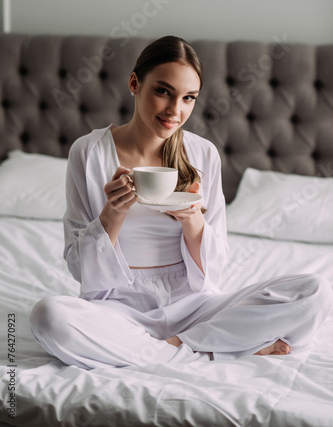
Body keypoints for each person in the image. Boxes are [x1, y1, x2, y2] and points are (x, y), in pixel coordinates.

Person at [30, 36, 332, 369]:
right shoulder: (88, 153)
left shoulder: (202, 154)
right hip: (117, 309)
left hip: (193, 307)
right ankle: (209, 348)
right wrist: (112, 214)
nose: (176, 111)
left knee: (315, 291)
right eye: (163, 91)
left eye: (188, 98)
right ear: (134, 83)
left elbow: (215, 268)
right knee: (48, 316)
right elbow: (80, 269)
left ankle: (165, 349)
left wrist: (193, 220)